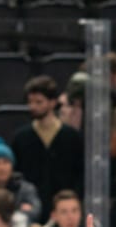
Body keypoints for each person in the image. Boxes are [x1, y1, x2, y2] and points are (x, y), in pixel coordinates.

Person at [11, 76, 85, 209]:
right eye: (30, 102)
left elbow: (80, 174)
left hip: (65, 208)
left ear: (52, 102)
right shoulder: (21, 137)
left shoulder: (72, 137)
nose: (33, 106)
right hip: (31, 207)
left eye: (39, 102)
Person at [0, 137, 41, 224]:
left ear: (12, 165)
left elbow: (35, 211)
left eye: (5, 162)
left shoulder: (26, 189)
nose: (1, 168)